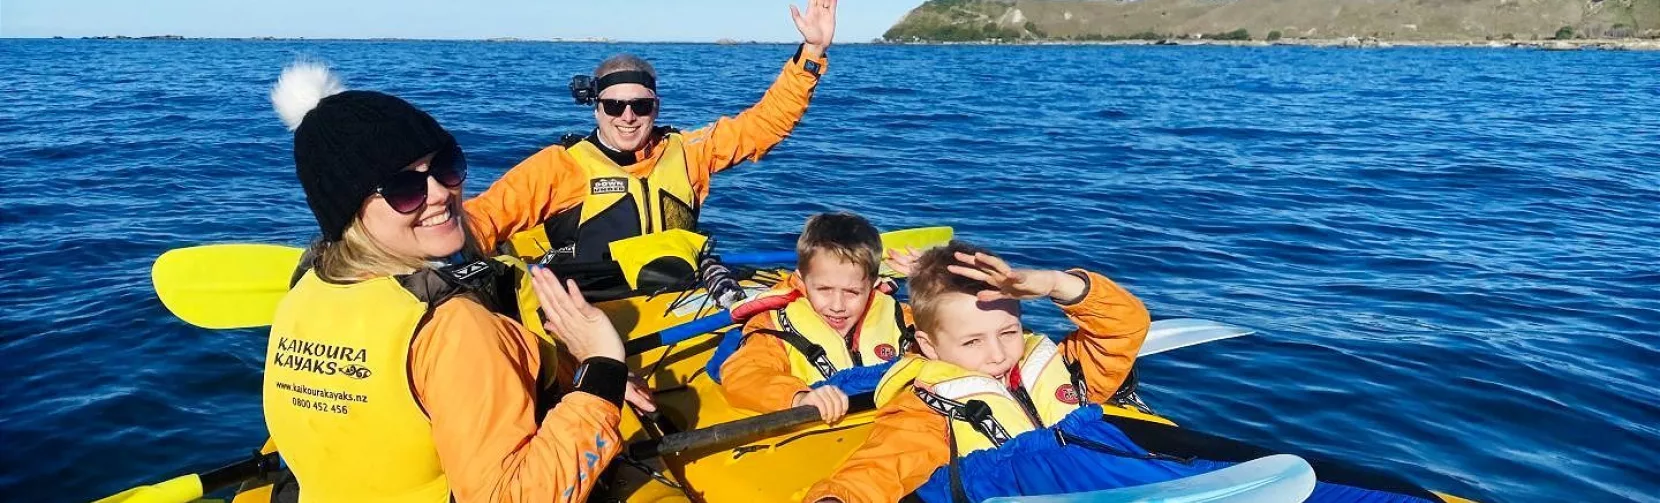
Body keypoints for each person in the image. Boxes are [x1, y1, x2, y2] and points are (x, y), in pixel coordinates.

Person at [804, 243, 1456, 503]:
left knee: (1394, 494)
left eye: (1009, 330)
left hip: (1128, 460)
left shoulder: (1064, 373)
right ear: (925, 341)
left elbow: (1125, 327)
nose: (999, 352)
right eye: (973, 340)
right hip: (1035, 480)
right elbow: (875, 470)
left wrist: (1057, 284)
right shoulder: (928, 409)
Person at [261, 61, 634, 503]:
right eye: (404, 188)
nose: (440, 192)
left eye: (446, 165)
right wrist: (602, 370)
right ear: (349, 210)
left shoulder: (305, 289)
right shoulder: (453, 327)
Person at [468, 0, 840, 267]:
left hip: (673, 295)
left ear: (656, 108)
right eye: (614, 106)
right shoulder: (559, 167)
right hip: (592, 307)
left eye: (640, 106)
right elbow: (482, 219)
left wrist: (812, 51)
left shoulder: (689, 152)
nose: (627, 117)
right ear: (596, 108)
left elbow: (765, 125)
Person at [717, 212, 919, 423]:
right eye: (824, 289)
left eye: (852, 292)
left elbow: (947, 335)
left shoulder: (901, 317)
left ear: (873, 284)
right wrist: (799, 397)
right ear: (802, 281)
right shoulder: (772, 326)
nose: (837, 306)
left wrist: (933, 283)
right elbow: (744, 374)